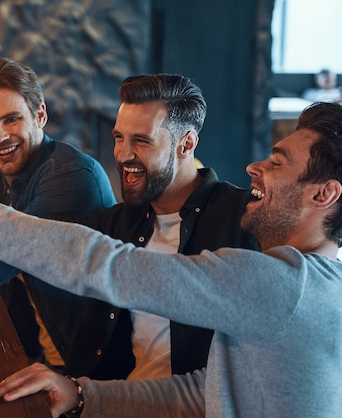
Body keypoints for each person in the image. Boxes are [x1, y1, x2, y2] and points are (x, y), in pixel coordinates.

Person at [0, 101, 342, 417]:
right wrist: (84, 394)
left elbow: (105, 265)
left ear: (323, 194)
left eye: (277, 162)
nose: (254, 166)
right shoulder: (316, 284)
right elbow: (209, 393)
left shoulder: (283, 284)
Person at [61, 74, 259, 381]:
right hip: (112, 403)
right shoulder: (117, 223)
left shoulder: (244, 220)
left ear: (186, 144)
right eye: (118, 137)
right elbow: (51, 245)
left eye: (141, 140)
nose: (124, 155)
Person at [0, 57, 117, 369]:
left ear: (39, 114)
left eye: (11, 119)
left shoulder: (71, 176)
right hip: (36, 350)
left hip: (89, 366)